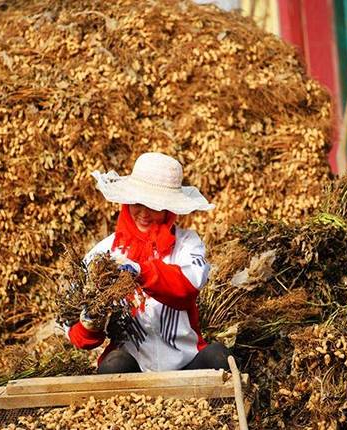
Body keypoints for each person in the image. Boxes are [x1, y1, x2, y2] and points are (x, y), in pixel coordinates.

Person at [67, 152, 229, 374]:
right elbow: (77, 332)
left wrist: (141, 272)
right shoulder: (104, 254)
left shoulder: (187, 244)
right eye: (137, 203)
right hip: (132, 368)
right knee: (114, 363)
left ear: (168, 210)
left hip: (186, 364)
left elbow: (188, 287)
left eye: (154, 206)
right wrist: (89, 325)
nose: (143, 213)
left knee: (219, 356)